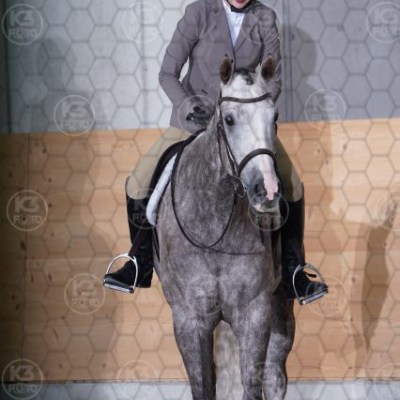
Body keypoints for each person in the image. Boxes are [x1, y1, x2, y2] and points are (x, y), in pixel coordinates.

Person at [103, 0, 329, 305]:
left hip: (243, 127)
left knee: (292, 185)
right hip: (194, 122)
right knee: (138, 182)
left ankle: (293, 269)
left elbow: (273, 80)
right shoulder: (198, 12)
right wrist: (188, 105)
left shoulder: (265, 17)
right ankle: (139, 262)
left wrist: (249, 105)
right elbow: (167, 73)